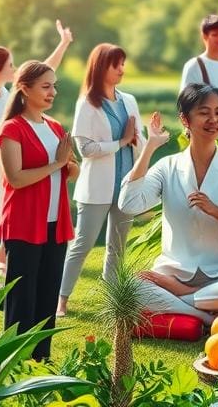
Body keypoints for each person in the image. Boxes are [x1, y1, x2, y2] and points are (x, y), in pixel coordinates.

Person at [118, 84, 218, 321]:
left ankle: (182, 302)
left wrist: (217, 212)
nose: (214, 119)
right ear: (185, 119)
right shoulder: (167, 167)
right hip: (172, 274)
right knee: (134, 286)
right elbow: (129, 203)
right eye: (204, 112)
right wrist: (150, 146)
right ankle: (208, 318)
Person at [0, 20, 73, 290]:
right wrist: (57, 163)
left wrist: (63, 44)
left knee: (0, 227)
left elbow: (41, 75)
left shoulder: (7, 95)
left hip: (18, 174)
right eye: (11, 65)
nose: (14, 69)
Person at [0, 60, 79, 361]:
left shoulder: (54, 127)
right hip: (23, 224)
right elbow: (16, 178)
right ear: (24, 88)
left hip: (54, 224)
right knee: (22, 300)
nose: (52, 92)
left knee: (47, 297)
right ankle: (15, 364)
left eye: (54, 86)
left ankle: (42, 363)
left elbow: (71, 172)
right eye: (45, 86)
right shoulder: (12, 129)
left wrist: (69, 165)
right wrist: (57, 164)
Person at [56, 44, 146, 318]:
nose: (121, 69)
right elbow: (85, 149)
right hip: (96, 188)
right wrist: (121, 141)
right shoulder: (87, 104)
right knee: (82, 244)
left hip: (126, 185)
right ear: (100, 67)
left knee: (117, 247)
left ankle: (110, 303)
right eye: (115, 64)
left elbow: (139, 139)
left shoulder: (129, 100)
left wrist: (141, 140)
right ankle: (60, 300)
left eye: (123, 63)